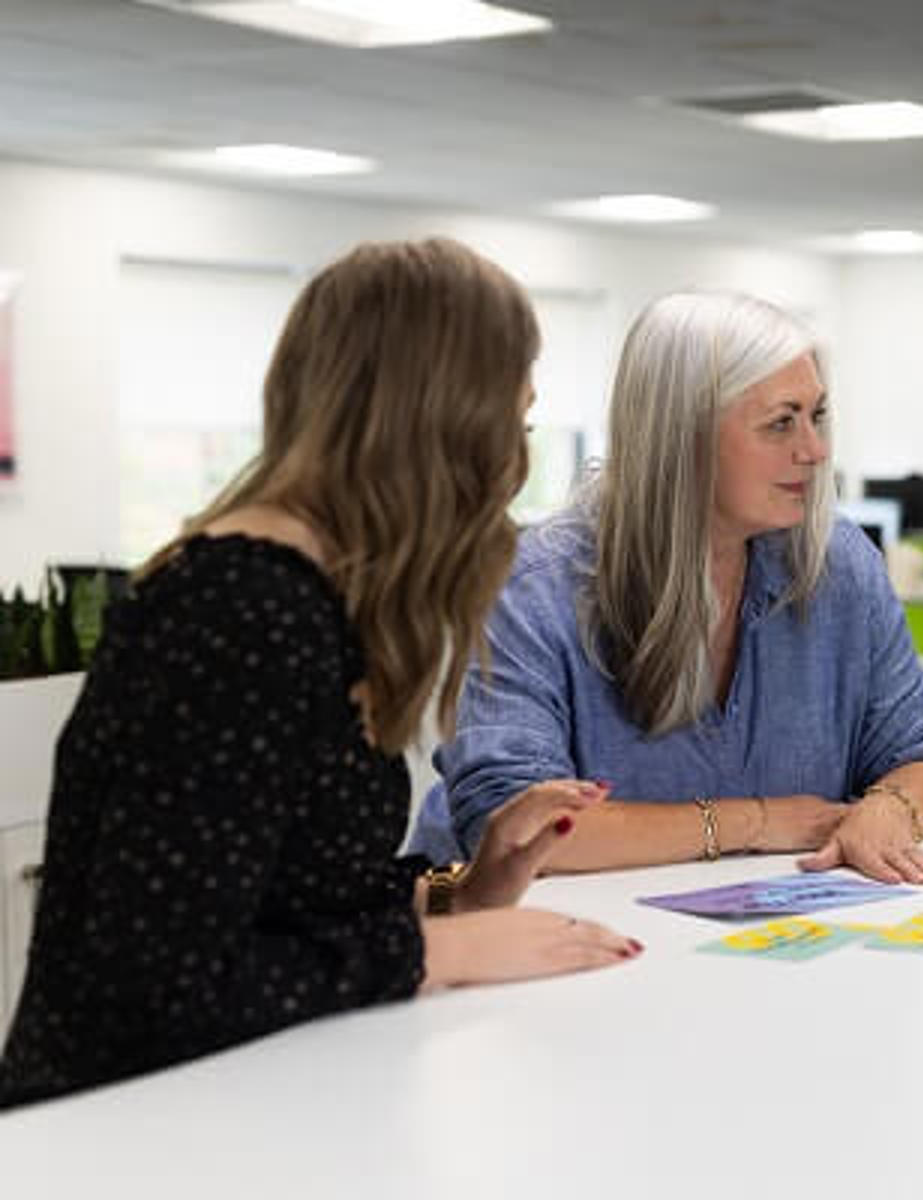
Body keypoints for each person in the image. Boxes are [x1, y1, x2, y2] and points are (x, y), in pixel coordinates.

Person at [0, 238, 640, 1111]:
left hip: (249, 1107)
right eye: (515, 426)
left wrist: (464, 892)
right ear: (444, 424)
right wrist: (439, 954)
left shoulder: (314, 598)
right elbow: (152, 987)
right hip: (120, 1133)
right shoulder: (239, 609)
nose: (516, 466)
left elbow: (283, 895)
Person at [433, 290, 923, 885]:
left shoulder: (839, 566)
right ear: (681, 435)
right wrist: (755, 823)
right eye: (780, 422)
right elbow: (514, 828)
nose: (814, 451)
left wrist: (891, 807)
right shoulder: (535, 588)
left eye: (816, 417)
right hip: (551, 947)